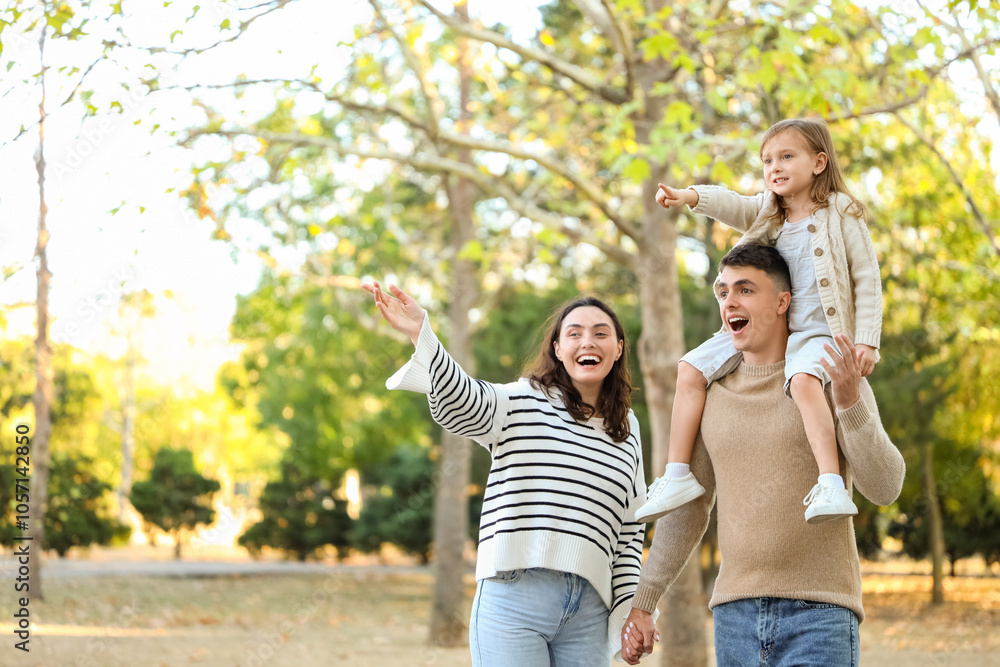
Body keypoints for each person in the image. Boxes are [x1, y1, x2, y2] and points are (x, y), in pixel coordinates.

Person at [619, 244, 905, 666]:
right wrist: (645, 600)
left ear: (783, 301)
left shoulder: (829, 375)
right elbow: (689, 506)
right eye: (723, 292)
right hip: (735, 616)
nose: (730, 301)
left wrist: (849, 404)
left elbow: (885, 487)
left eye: (746, 290)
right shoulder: (711, 394)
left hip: (821, 614)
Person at [363, 280, 654, 665]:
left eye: (601, 334)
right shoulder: (523, 400)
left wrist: (629, 614)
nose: (588, 342)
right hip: (516, 597)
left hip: (589, 613)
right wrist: (423, 335)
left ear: (618, 349)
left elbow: (630, 534)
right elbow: (463, 400)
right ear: (558, 349)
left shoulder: (627, 431)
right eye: (574, 333)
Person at [636, 118, 883, 525]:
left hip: (820, 332)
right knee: (690, 368)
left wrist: (867, 340)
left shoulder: (841, 210)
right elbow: (732, 203)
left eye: (787, 156)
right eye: (768, 160)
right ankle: (677, 474)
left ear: (819, 162)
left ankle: (831, 484)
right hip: (770, 321)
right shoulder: (771, 210)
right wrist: (689, 196)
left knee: (803, 382)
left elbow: (866, 278)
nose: (775, 168)